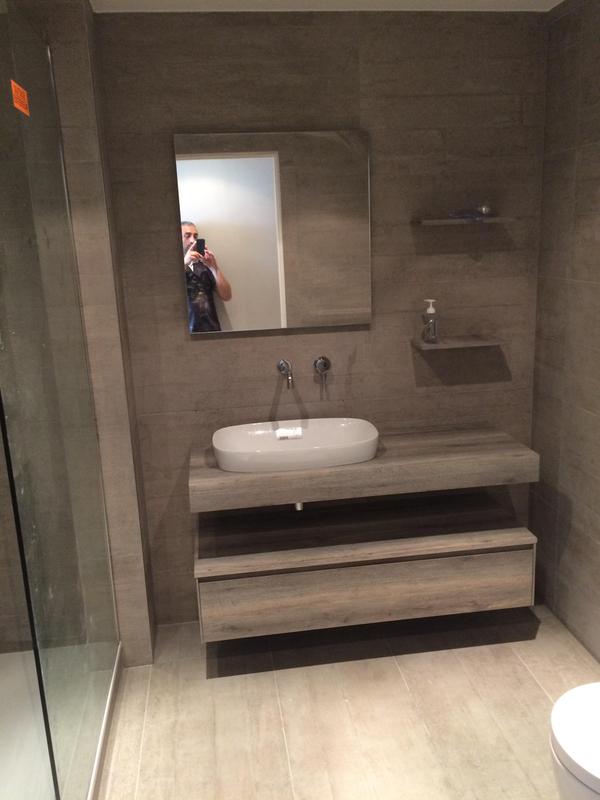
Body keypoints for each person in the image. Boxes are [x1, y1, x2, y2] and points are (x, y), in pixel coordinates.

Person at [181, 221, 232, 333]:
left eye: (195, 236)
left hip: (211, 332)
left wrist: (214, 267)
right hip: (183, 334)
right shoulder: (169, 269)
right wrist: (185, 263)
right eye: (187, 236)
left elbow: (227, 295)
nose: (193, 240)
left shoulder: (204, 266)